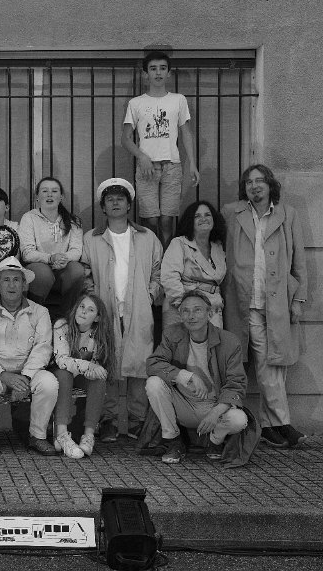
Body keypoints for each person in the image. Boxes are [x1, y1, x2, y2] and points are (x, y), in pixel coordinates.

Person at [222, 164, 308, 449]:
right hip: (246, 302)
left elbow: (299, 261)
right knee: (265, 363)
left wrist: (298, 299)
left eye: (260, 181)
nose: (254, 186)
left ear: (271, 185)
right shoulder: (232, 213)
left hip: (279, 301)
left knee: (276, 364)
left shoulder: (287, 214)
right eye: (249, 182)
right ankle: (282, 423)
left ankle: (271, 427)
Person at [81, 178, 162, 443]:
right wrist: (93, 299)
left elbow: (158, 271)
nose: (115, 203)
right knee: (107, 359)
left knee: (140, 361)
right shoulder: (92, 238)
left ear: (129, 205)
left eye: (120, 198)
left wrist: (150, 295)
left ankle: (137, 420)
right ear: (103, 207)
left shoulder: (147, 236)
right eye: (110, 199)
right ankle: (109, 420)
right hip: (105, 306)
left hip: (139, 307)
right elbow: (85, 272)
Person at [0, 257, 58, 456]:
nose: (11, 285)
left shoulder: (40, 312)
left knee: (49, 383)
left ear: (24, 285)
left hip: (28, 371)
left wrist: (25, 377)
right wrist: (3, 374)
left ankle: (38, 436)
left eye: (16, 280)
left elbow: (43, 348)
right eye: (6, 280)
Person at [145, 290, 248, 464]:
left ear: (210, 314)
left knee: (239, 419)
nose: (191, 316)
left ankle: (214, 442)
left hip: (214, 405)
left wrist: (215, 412)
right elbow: (153, 364)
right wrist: (185, 375)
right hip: (183, 404)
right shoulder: (172, 334)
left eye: (197, 310)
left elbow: (236, 383)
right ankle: (173, 441)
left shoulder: (229, 341)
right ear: (180, 315)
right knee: (153, 383)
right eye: (185, 311)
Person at [120, 51, 200, 248]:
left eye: (162, 68)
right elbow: (125, 138)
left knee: (167, 220)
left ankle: (167, 260)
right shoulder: (136, 103)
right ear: (145, 73)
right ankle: (150, 258)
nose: (158, 73)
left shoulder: (178, 100)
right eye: (153, 68)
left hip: (172, 165)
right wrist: (142, 156)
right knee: (150, 219)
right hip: (147, 167)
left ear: (169, 73)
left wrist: (192, 164)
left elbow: (186, 133)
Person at [51, 294, 114, 459]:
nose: (84, 312)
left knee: (99, 380)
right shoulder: (62, 326)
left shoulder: (98, 333)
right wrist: (89, 366)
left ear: (97, 317)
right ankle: (62, 434)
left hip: (81, 375)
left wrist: (94, 371)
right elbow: (62, 360)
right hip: (59, 373)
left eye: (90, 310)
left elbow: (97, 363)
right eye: (82, 307)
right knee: (65, 375)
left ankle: (89, 435)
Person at [19, 177, 85, 314]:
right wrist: (50, 258)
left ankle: (68, 315)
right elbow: (27, 253)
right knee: (43, 273)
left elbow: (76, 250)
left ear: (61, 197)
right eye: (45, 191)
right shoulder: (29, 218)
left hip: (63, 270)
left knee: (77, 270)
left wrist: (63, 258)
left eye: (54, 191)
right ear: (37, 197)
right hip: (39, 272)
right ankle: (35, 313)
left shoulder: (73, 221)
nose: (49, 194)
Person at [161, 200, 227, 330]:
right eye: (197, 216)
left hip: (213, 310)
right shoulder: (179, 243)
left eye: (207, 215)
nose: (203, 219)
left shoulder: (218, 247)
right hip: (183, 309)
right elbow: (169, 278)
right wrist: (186, 307)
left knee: (212, 343)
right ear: (190, 221)